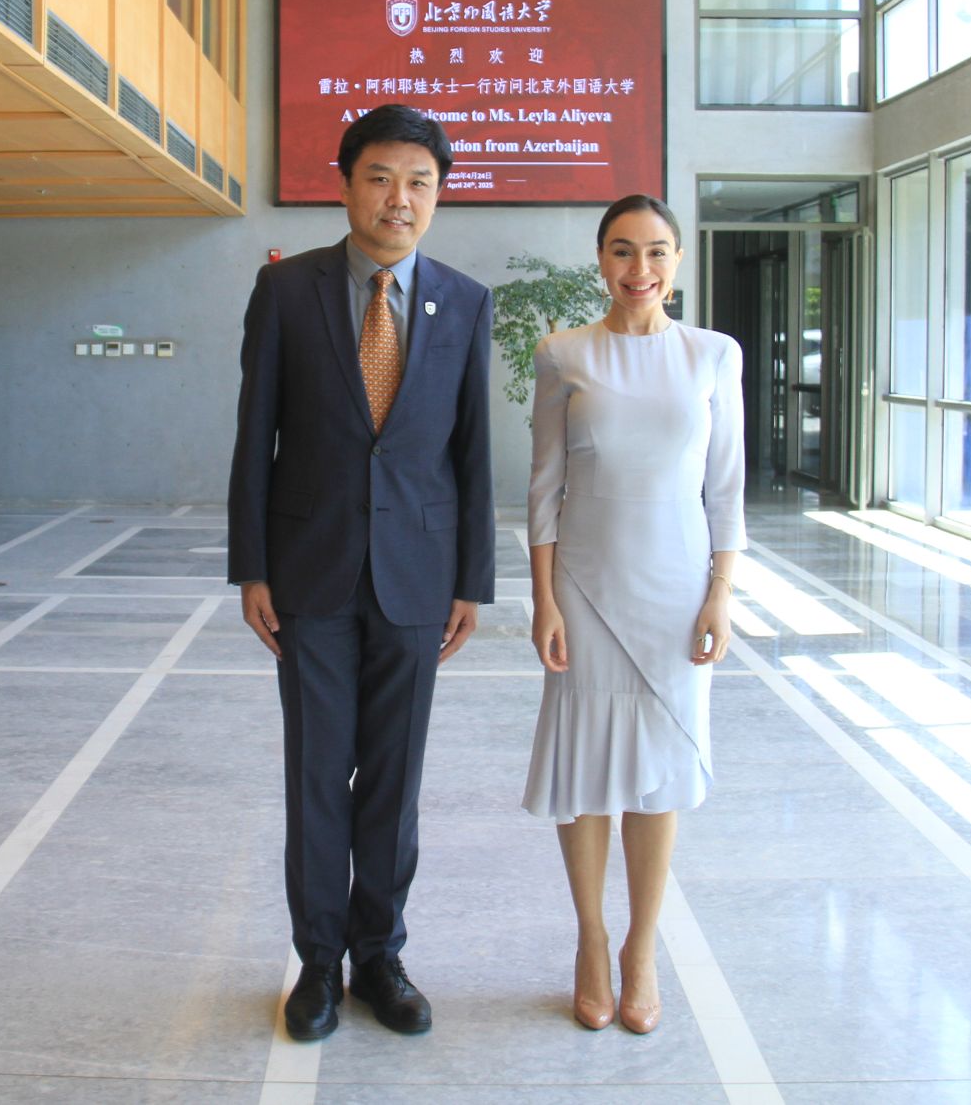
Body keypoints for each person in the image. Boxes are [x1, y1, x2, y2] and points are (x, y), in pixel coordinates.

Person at [228, 103, 496, 1041]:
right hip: (309, 575)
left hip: (419, 580)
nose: (399, 199)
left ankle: (380, 954)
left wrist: (471, 580)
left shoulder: (465, 300)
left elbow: (474, 453)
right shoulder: (287, 289)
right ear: (345, 185)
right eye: (380, 178)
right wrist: (252, 567)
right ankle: (317, 962)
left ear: (438, 196)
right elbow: (254, 436)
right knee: (315, 773)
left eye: (420, 182)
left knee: (393, 776)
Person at [520, 193, 746, 1034]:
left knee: (659, 775)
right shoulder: (562, 353)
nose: (638, 268)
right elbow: (544, 489)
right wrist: (544, 598)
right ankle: (589, 938)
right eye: (622, 250)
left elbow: (726, 486)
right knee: (586, 773)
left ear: (677, 261)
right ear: (600, 260)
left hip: (678, 588)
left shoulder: (713, 354)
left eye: (655, 251)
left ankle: (640, 947)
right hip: (585, 584)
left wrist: (721, 591)